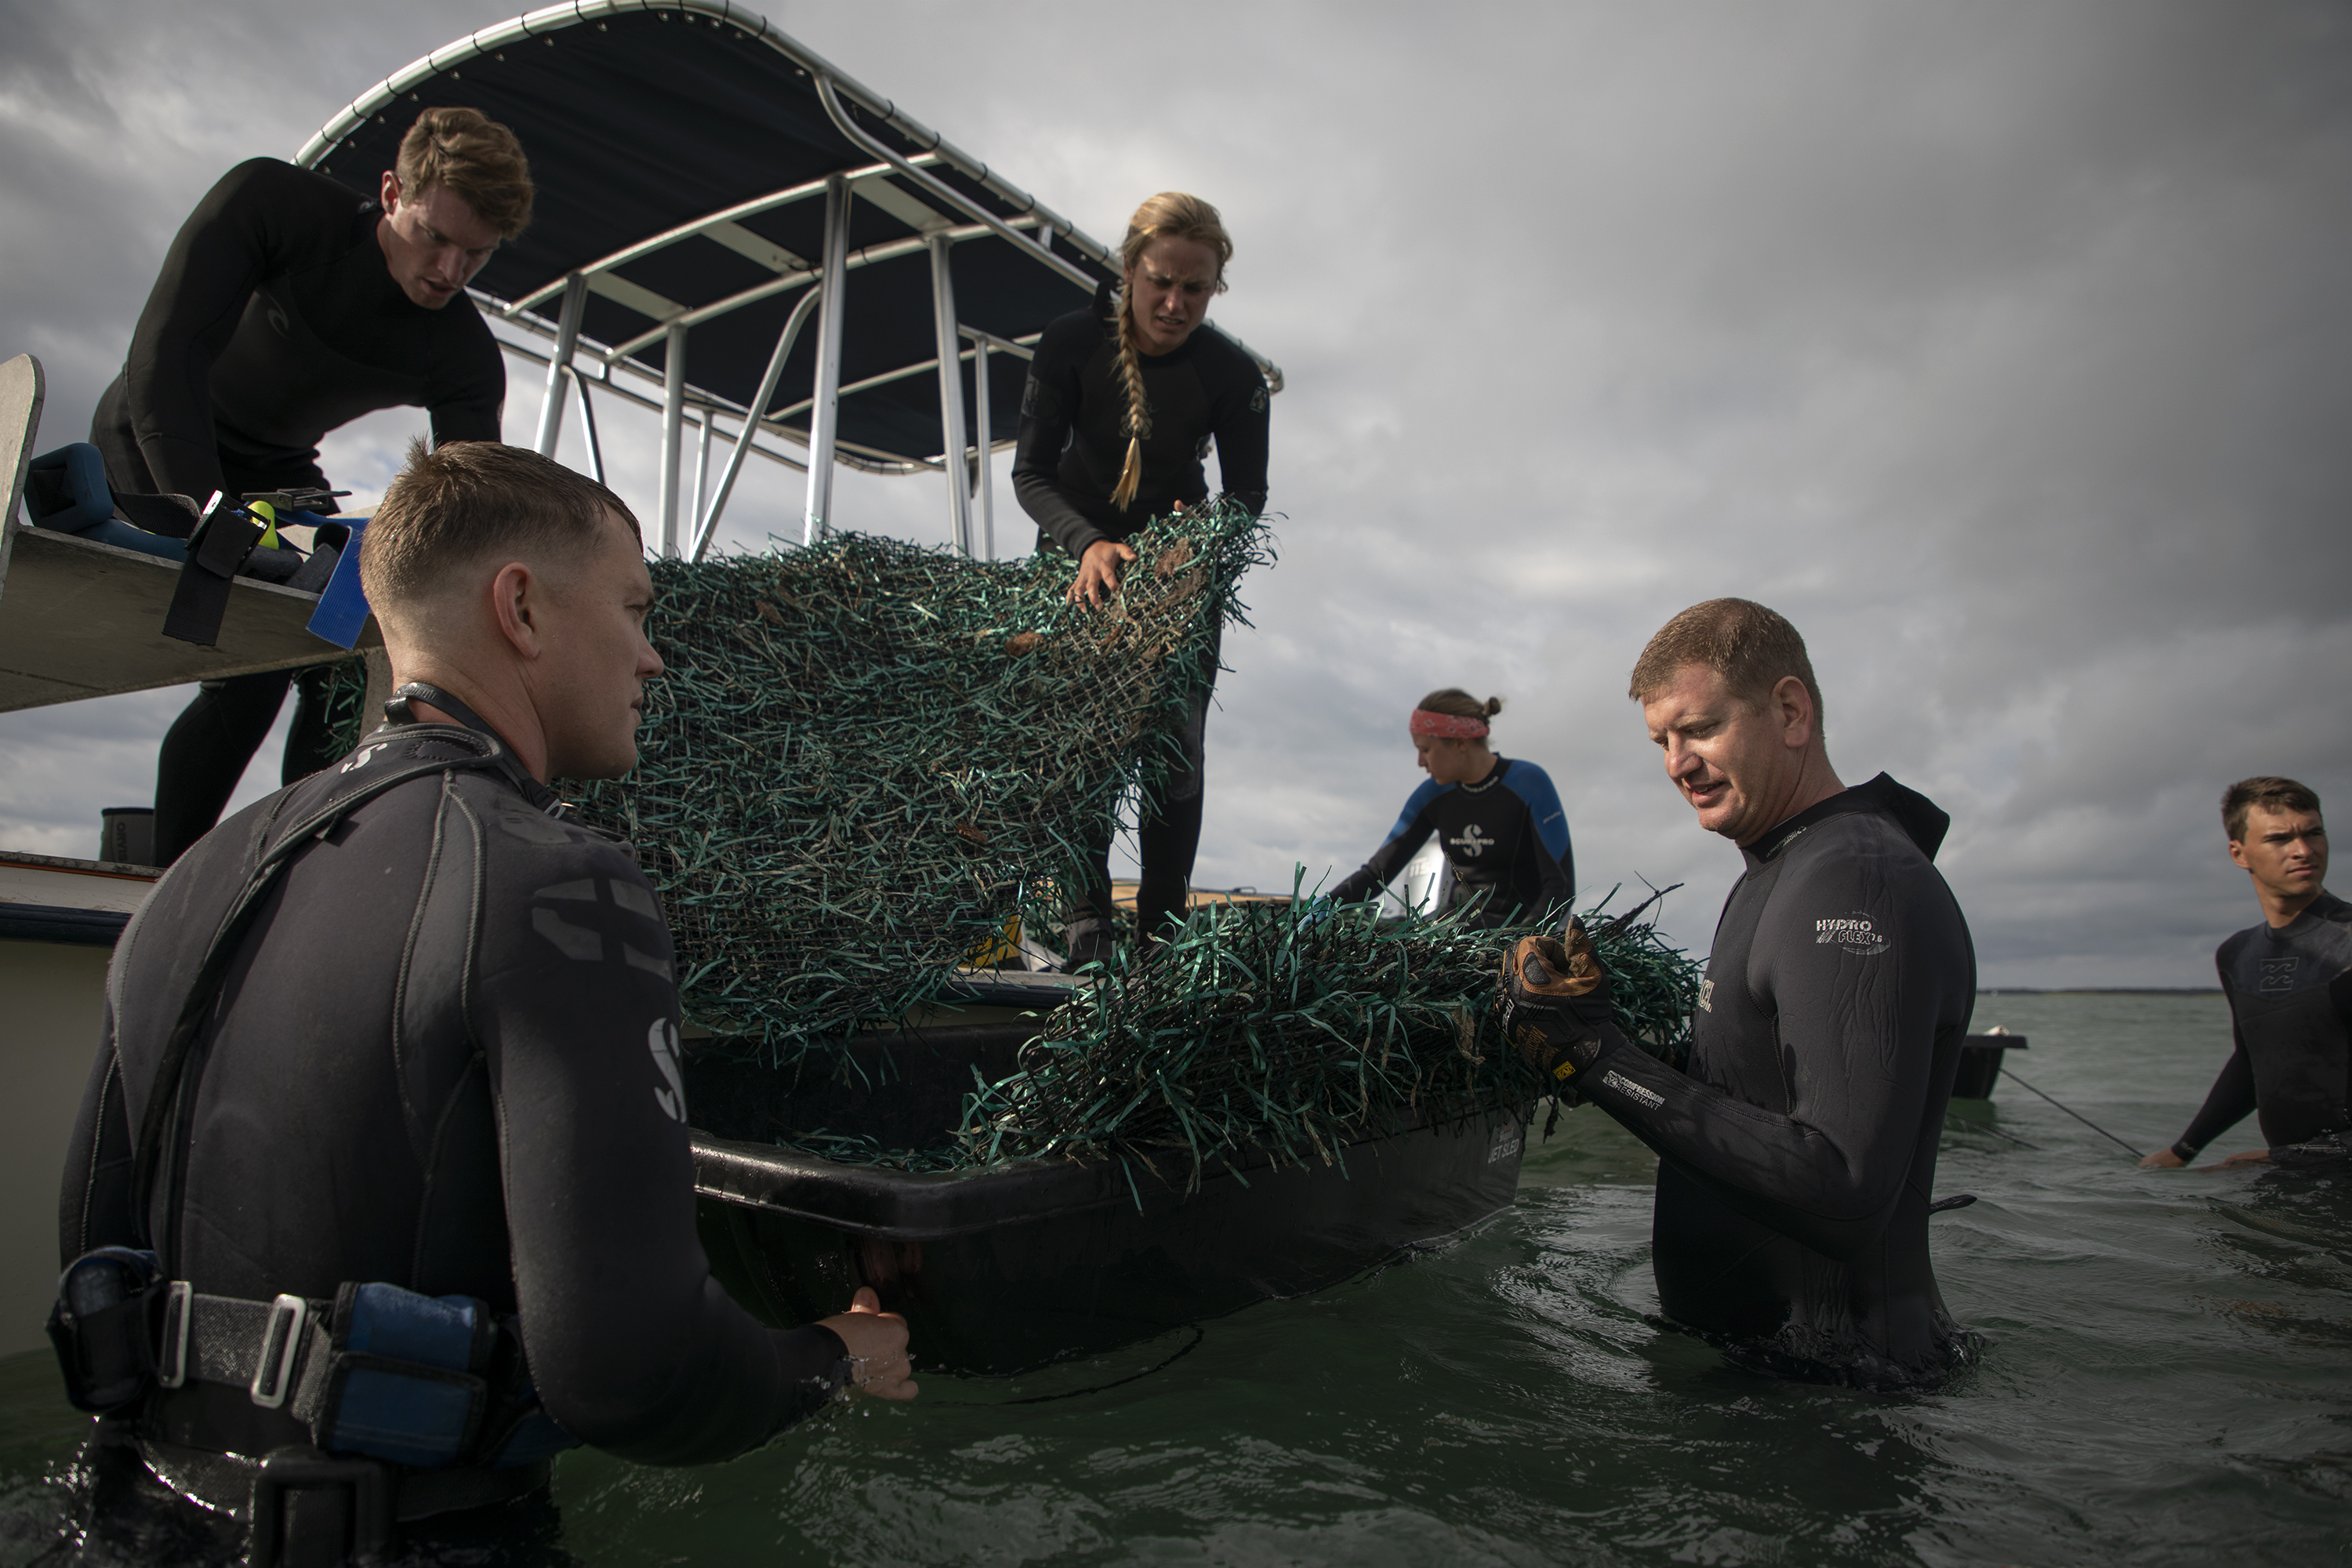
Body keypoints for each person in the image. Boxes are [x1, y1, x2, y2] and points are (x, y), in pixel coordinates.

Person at [54, 441, 913, 1566]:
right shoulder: (556, 882)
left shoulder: (196, 878)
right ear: (521, 608)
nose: (653, 658)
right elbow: (633, 1371)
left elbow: (91, 1266)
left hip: (126, 1520)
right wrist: (838, 1356)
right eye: (633, 607)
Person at [1497, 599, 1976, 1387]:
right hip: (1757, 1373)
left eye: (1702, 728)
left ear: (1790, 710)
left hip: (1842, 1396)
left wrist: (1597, 1055)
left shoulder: (1857, 878)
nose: (1677, 763)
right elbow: (1754, 1092)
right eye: (1662, 741)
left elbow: (1843, 1188)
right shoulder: (1777, 867)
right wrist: (1587, 1035)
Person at [92, 107, 532, 866]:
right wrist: (208, 511)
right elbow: (168, 352)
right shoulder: (275, 204)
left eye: (476, 256)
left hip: (279, 474)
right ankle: (166, 876)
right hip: (153, 431)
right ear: (393, 192)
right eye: (436, 237)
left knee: (333, 649)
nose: (449, 273)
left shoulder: (463, 353)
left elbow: (467, 515)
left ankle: (308, 867)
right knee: (246, 671)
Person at [1011, 191, 1270, 965]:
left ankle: (1162, 927)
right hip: (1072, 554)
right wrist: (1088, 544)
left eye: (1196, 288)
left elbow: (1248, 496)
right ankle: (1084, 922)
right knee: (1078, 744)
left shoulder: (1231, 373)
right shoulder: (1067, 343)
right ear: (1129, 268)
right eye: (1161, 280)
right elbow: (1029, 474)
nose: (1174, 302)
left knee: (1174, 744)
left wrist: (1201, 536)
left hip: (1174, 569)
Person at [2140, 778, 2350, 1171]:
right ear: (2240, 853)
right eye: (2279, 839)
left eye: (2314, 833)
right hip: (2293, 1184)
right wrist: (2183, 1151)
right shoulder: (2237, 955)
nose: (2303, 851)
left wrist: (2284, 1158)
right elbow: (2251, 1061)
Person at [1328, 689, 1574, 926]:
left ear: (1460, 743)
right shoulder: (1432, 795)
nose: (1420, 762)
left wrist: (1523, 939)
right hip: (1453, 925)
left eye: (1425, 750)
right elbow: (1376, 873)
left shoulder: (1527, 783)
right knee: (1375, 931)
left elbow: (1560, 887)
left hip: (1511, 928)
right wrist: (1320, 907)